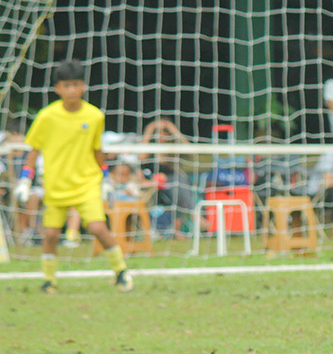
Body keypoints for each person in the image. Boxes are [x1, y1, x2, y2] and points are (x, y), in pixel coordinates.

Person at [13, 60, 134, 292]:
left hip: (86, 183)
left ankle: (121, 271)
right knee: (50, 234)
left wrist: (106, 178)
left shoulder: (94, 116)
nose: (71, 90)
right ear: (58, 88)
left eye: (76, 84)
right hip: (56, 184)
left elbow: (97, 150)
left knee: (98, 228)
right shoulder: (46, 116)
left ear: (84, 86)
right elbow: (33, 150)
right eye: (66, 85)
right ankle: (50, 281)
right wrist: (25, 179)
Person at [139, 118, 208, 239]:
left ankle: (179, 229)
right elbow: (141, 157)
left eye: (164, 131)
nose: (161, 134)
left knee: (177, 183)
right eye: (158, 131)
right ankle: (195, 216)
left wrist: (173, 128)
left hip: (174, 185)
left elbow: (192, 152)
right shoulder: (150, 150)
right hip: (154, 186)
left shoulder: (173, 149)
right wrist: (149, 130)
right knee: (176, 181)